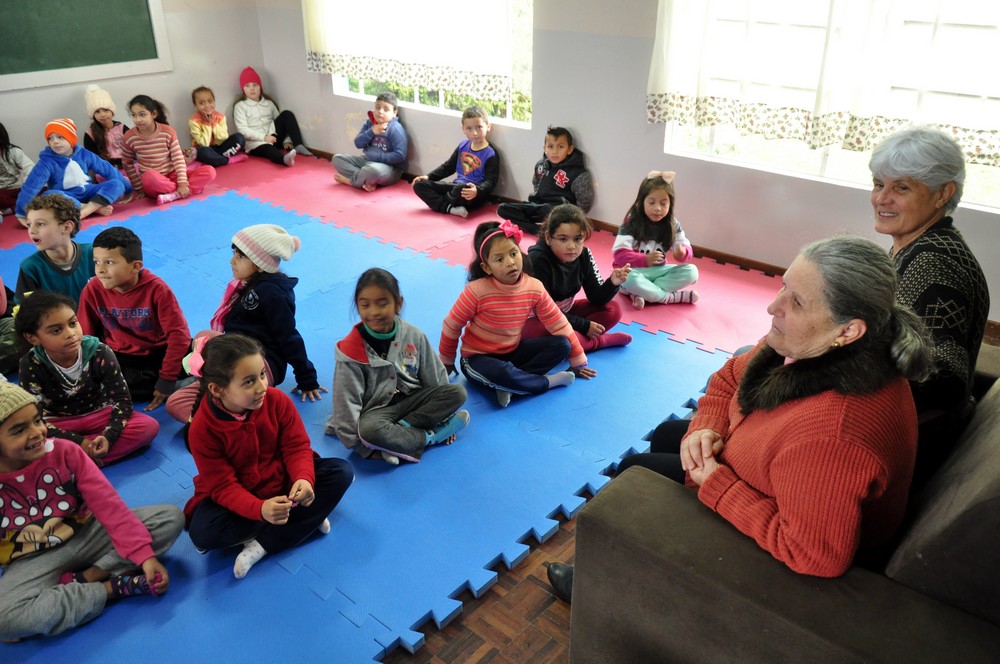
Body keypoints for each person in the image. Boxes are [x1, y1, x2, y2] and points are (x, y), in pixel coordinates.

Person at [545, 235, 933, 601]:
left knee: (633, 472)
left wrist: (717, 482)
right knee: (667, 434)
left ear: (848, 330)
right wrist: (708, 425)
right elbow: (731, 375)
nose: (773, 306)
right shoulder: (811, 343)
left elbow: (815, 554)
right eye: (784, 286)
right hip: (763, 465)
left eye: (797, 302)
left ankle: (598, 585)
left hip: (778, 521)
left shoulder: (833, 436)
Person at [0, 380, 183, 642]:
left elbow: (108, 505)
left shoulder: (65, 451)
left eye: (38, 420)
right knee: (5, 618)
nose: (37, 432)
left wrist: (144, 556)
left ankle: (88, 576)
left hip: (89, 531)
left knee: (170, 519)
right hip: (32, 557)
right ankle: (110, 588)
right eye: (19, 430)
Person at [869, 126, 990, 486]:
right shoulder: (924, 243)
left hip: (908, 444)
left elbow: (944, 382)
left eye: (901, 188)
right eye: (878, 184)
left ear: (943, 194)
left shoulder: (933, 263)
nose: (881, 199)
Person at [183, 334, 354, 580]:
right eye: (249, 381)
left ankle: (263, 543)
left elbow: (296, 447)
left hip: (283, 479)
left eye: (262, 374)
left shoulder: (277, 400)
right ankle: (306, 519)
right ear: (217, 389)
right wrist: (260, 509)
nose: (262, 387)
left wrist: (303, 479)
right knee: (202, 533)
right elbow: (222, 486)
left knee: (341, 472)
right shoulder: (201, 429)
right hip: (243, 493)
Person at [165, 224, 325, 423]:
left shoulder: (272, 295)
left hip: (260, 365)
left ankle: (223, 418)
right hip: (239, 351)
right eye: (234, 253)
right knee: (202, 337)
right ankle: (217, 396)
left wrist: (306, 378)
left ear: (259, 264)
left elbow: (289, 338)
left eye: (240, 256)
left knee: (176, 403)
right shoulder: (248, 285)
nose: (232, 260)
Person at [439, 220, 597, 408]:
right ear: (487, 267)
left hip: (513, 352)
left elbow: (558, 322)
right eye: (499, 259)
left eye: (514, 254)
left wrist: (578, 359)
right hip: (477, 358)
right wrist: (447, 360)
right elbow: (452, 325)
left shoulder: (534, 287)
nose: (510, 262)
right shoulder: (476, 291)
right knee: (501, 372)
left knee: (562, 345)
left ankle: (511, 386)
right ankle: (547, 382)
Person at [328, 268, 470, 465]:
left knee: (457, 392)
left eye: (382, 303)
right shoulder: (350, 352)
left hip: (413, 401)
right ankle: (431, 437)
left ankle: (400, 440)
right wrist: (363, 449)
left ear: (398, 303)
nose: (373, 312)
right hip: (377, 412)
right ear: (358, 307)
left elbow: (435, 377)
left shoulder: (414, 335)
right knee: (368, 430)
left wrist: (442, 415)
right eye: (365, 305)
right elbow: (346, 404)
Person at [15, 291, 159, 466]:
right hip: (58, 422)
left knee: (148, 426)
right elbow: (34, 417)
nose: (71, 333)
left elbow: (122, 401)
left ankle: (77, 462)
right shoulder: (31, 364)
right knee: (25, 447)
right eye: (56, 330)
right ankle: (84, 457)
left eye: (73, 323)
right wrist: (79, 441)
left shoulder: (100, 352)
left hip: (100, 415)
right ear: (33, 338)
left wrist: (109, 436)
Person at [77, 227, 190, 408]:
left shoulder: (157, 290)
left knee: (203, 355)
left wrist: (167, 379)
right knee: (105, 383)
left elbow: (179, 336)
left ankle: (175, 384)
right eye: (96, 262)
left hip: (158, 351)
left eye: (109, 262)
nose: (100, 270)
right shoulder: (92, 290)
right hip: (122, 356)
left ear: (135, 266)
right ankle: (179, 385)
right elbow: (86, 337)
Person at [526, 204, 633, 351]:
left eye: (577, 239)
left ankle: (576, 342)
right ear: (549, 238)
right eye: (563, 239)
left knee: (613, 309)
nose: (572, 246)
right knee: (558, 340)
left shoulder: (584, 255)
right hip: (537, 319)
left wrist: (613, 282)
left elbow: (596, 298)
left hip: (565, 313)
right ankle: (599, 341)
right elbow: (545, 311)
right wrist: (584, 326)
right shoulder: (538, 260)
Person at [14, 118, 132, 224]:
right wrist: (21, 212)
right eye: (50, 138)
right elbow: (31, 185)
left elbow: (108, 170)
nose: (55, 142)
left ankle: (87, 210)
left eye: (60, 137)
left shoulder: (84, 154)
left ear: (71, 138)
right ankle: (94, 208)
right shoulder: (46, 162)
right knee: (49, 195)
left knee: (117, 184)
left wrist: (128, 189)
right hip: (67, 197)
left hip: (88, 191)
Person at [613, 170, 699, 309]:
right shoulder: (632, 222)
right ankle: (673, 297)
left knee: (692, 272)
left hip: (659, 271)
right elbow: (619, 254)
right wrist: (645, 259)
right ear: (642, 202)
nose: (657, 208)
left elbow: (683, 244)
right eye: (652, 202)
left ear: (670, 204)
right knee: (628, 278)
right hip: (634, 271)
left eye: (663, 204)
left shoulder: (672, 224)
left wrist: (683, 253)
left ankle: (642, 293)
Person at [121, 95, 217, 206]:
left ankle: (175, 194)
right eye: (134, 115)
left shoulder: (168, 131)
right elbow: (127, 163)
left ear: (153, 114)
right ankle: (184, 191)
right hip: (154, 182)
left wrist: (182, 183)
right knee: (150, 176)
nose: (137, 119)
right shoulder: (129, 136)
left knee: (209, 171)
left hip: (173, 176)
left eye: (142, 114)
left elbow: (178, 159)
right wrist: (139, 188)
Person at [497, 126, 594, 235]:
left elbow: (584, 201)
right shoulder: (541, 165)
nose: (555, 151)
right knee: (502, 208)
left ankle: (544, 225)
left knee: (552, 211)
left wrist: (575, 220)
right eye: (550, 146)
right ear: (545, 148)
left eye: (560, 147)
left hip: (558, 211)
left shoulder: (578, 173)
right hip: (536, 206)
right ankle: (536, 229)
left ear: (570, 149)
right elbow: (536, 184)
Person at [411, 106, 499, 218]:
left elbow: (491, 181)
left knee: (459, 189)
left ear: (488, 126)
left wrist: (477, 190)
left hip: (472, 194)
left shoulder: (491, 153)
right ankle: (450, 208)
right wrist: (429, 177)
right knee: (419, 185)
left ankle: (444, 203)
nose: (475, 133)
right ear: (463, 129)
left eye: (479, 127)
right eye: (469, 128)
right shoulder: (463, 145)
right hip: (455, 187)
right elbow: (448, 167)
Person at [15, 193, 95, 304]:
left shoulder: (94, 254)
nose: (31, 231)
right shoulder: (31, 268)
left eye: (40, 224)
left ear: (66, 227)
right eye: (29, 224)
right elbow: (24, 309)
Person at [233, 66, 311, 167]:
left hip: (273, 138)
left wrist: (286, 141)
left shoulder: (268, 103)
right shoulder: (240, 106)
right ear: (243, 89)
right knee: (268, 149)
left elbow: (280, 122)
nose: (252, 88)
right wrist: (264, 138)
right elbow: (242, 130)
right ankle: (283, 159)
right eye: (247, 86)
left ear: (260, 87)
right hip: (256, 144)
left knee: (287, 114)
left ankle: (299, 145)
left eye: (255, 85)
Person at [332, 92, 408, 191]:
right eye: (377, 107)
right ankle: (368, 180)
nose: (380, 112)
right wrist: (372, 131)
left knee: (373, 170)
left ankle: (351, 181)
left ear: (395, 112)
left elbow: (400, 155)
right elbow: (358, 143)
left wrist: (377, 157)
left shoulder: (395, 128)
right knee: (337, 158)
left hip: (389, 169)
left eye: (386, 109)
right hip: (367, 162)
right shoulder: (369, 123)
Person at [188, 86, 247, 167]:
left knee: (239, 138)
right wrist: (207, 124)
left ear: (214, 101)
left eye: (210, 101)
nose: (207, 105)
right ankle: (227, 160)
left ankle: (216, 159)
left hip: (221, 147)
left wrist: (214, 124)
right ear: (195, 105)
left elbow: (223, 138)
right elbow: (204, 144)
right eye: (201, 103)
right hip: (205, 149)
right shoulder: (193, 120)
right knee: (203, 152)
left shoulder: (221, 117)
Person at [83, 85, 129, 170]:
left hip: (127, 167)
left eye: (106, 110)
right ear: (93, 115)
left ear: (112, 111)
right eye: (97, 112)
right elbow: (92, 159)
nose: (103, 115)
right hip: (105, 170)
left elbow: (133, 149)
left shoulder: (122, 128)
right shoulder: (90, 134)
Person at [0, 121, 34, 221]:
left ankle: (9, 210)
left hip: (14, 190)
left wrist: (26, 187)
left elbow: (31, 168)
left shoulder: (13, 152)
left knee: (43, 192)